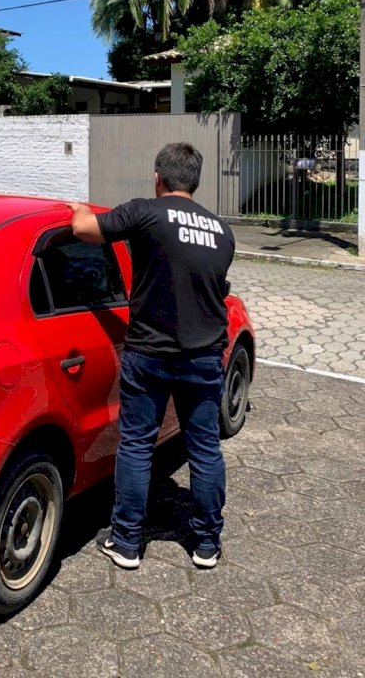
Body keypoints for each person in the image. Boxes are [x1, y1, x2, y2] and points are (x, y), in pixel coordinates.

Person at [68, 142, 235, 570]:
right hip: (204, 357)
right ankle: (206, 544)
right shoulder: (221, 231)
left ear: (158, 178)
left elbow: (86, 231)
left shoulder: (145, 212)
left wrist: (76, 209)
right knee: (204, 450)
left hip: (149, 354)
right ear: (195, 182)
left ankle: (126, 542)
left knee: (138, 447)